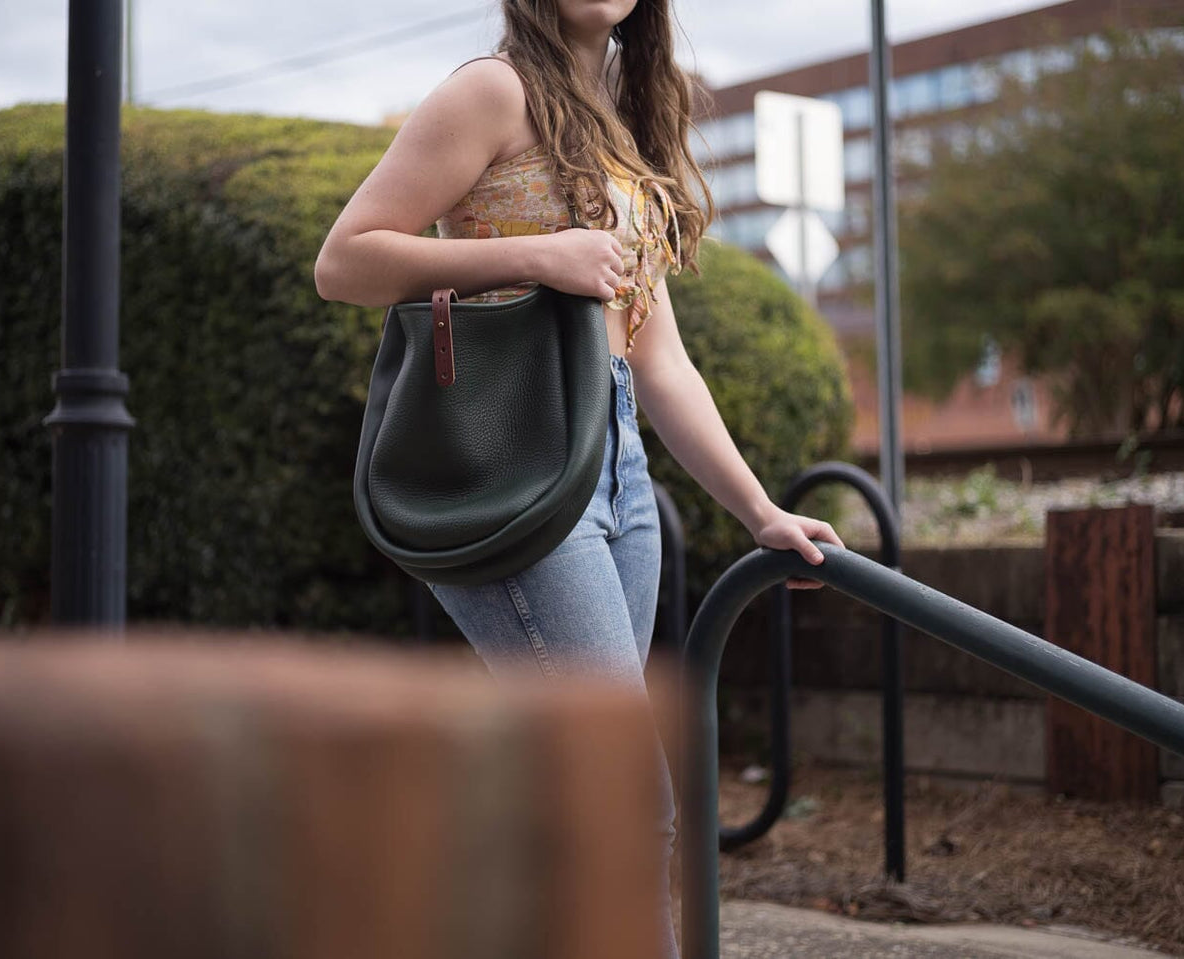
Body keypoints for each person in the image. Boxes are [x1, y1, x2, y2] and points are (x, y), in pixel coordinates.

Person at [315, 1, 844, 954]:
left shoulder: (622, 124)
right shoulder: (490, 91)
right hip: (510, 466)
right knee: (625, 794)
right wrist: (538, 256)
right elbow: (343, 261)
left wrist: (760, 510)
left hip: (617, 470)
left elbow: (660, 359)